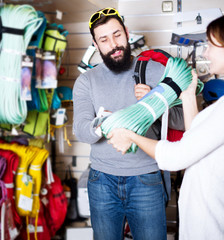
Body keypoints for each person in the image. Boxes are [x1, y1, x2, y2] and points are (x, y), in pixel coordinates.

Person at [108, 12, 224, 240]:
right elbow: (196, 138)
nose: (206, 52)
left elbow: (177, 156)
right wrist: (187, 95)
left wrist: (130, 135)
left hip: (214, 229)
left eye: (213, 45)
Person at [72, 7, 185, 240]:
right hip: (101, 181)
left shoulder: (156, 71)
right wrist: (107, 123)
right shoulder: (86, 81)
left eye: (117, 35)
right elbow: (81, 130)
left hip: (146, 180)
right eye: (104, 39)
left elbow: (183, 120)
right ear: (96, 44)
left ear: (127, 32)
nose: (113, 44)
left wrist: (155, 101)